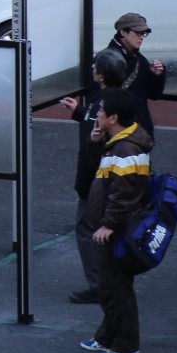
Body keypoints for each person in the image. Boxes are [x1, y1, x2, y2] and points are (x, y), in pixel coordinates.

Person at [80, 88, 153, 353]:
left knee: (117, 289)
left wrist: (108, 224)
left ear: (113, 117)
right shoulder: (120, 142)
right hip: (114, 225)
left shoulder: (125, 148)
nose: (96, 114)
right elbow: (102, 171)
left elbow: (122, 193)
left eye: (100, 111)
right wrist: (95, 142)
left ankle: (126, 346)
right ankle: (106, 336)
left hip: (117, 228)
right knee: (110, 287)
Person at [58, 52, 129, 305]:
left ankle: (101, 285)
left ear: (100, 74)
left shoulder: (103, 103)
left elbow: (96, 145)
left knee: (90, 231)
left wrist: (89, 185)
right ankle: (110, 282)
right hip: (107, 180)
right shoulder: (114, 100)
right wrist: (79, 111)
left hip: (98, 182)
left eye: (95, 67)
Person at [95, 12, 166, 136]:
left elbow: (154, 95)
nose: (141, 37)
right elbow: (96, 97)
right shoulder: (106, 60)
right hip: (118, 132)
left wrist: (157, 75)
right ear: (123, 33)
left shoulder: (139, 60)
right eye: (137, 33)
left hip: (138, 132)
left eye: (144, 34)